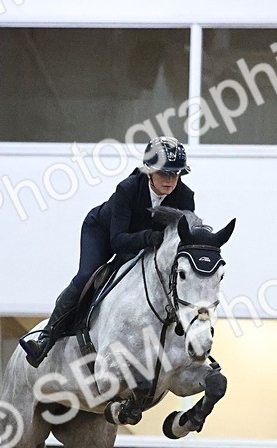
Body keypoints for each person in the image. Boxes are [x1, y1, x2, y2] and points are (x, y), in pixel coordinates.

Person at [19, 136, 195, 368]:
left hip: (146, 243)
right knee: (86, 276)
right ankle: (46, 339)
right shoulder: (128, 189)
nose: (170, 180)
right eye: (164, 173)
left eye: (176, 174)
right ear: (149, 171)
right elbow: (118, 241)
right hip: (102, 233)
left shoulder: (185, 197)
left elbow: (182, 241)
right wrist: (148, 237)